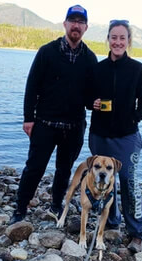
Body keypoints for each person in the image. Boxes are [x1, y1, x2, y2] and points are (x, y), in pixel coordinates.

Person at [10, 5, 97, 225]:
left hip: (74, 127)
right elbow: (32, 87)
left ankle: (56, 205)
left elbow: (89, 97)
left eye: (80, 22)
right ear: (65, 24)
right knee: (35, 167)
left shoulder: (90, 59)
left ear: (86, 27)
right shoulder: (47, 52)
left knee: (64, 170)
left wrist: (96, 103)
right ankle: (20, 208)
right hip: (45, 124)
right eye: (72, 20)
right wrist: (28, 118)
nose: (76, 25)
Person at [88, 19, 142, 253]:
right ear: (108, 39)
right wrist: (92, 103)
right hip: (99, 135)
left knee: (127, 180)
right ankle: (111, 222)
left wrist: (132, 118)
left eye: (122, 38)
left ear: (128, 41)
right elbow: (87, 97)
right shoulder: (98, 68)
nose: (117, 42)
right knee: (104, 180)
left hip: (127, 136)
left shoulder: (137, 69)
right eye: (113, 37)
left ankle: (138, 232)